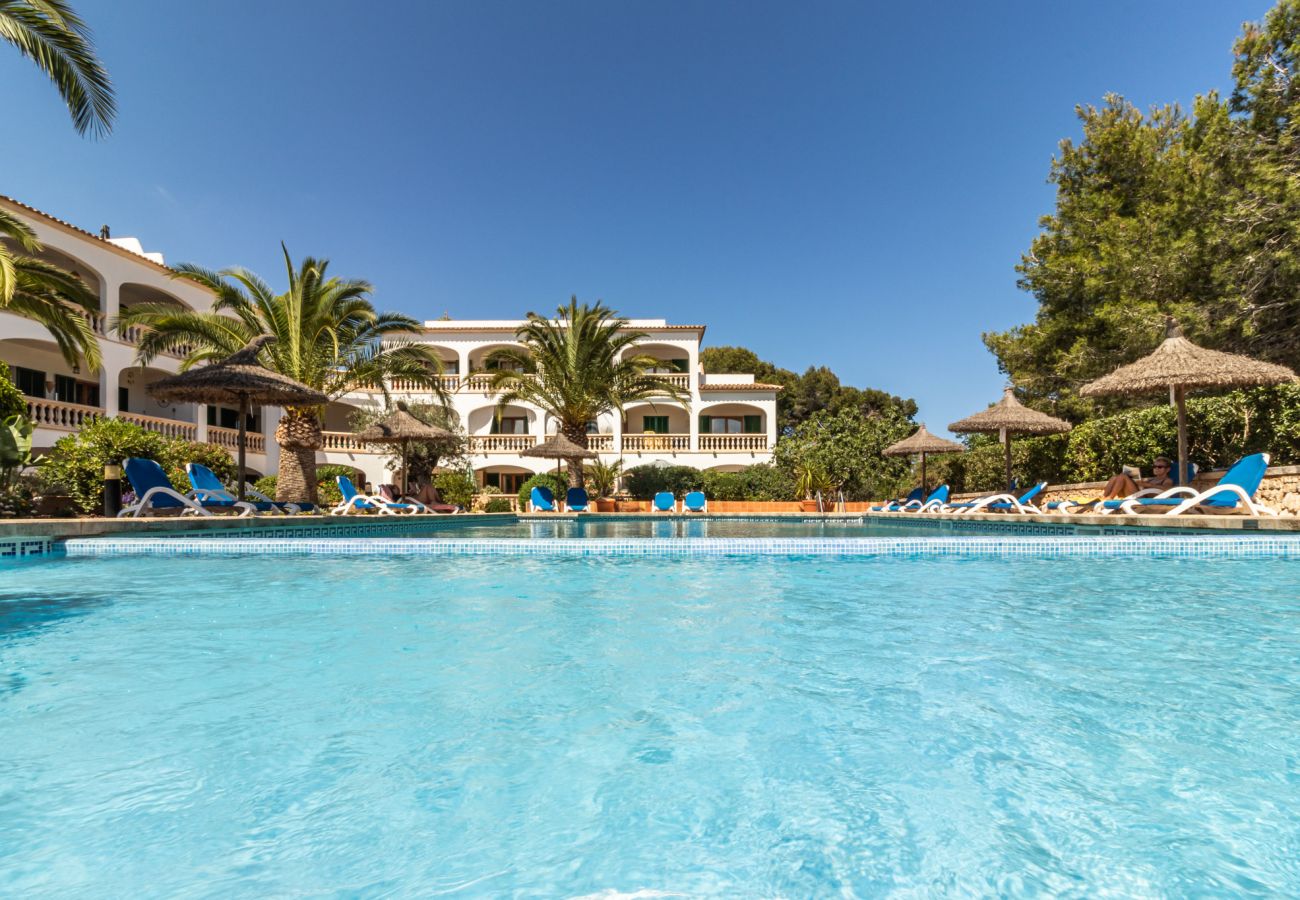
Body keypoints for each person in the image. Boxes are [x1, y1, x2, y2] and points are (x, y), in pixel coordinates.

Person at [1100, 456, 1173, 500]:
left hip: (1144, 500)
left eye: (1160, 467)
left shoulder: (1167, 480)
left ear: (1168, 469)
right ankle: (1104, 497)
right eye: (1154, 467)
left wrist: (1148, 485)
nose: (1156, 469)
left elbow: (1167, 489)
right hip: (1139, 494)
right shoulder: (1152, 479)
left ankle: (1110, 498)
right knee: (1115, 477)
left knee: (1123, 476)